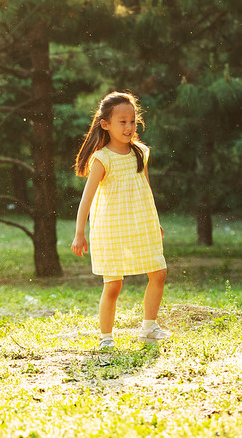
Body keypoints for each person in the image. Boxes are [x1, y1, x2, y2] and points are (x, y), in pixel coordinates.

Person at [70, 92, 170, 350]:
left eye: (132, 122)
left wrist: (154, 221)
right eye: (122, 122)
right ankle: (106, 337)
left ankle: (149, 327)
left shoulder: (140, 152)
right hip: (111, 228)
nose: (128, 127)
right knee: (113, 284)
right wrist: (79, 232)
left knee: (159, 272)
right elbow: (86, 198)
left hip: (142, 222)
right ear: (105, 124)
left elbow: (146, 187)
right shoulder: (102, 159)